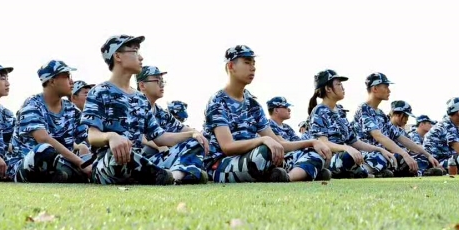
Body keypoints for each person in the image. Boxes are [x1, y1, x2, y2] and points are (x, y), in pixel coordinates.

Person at [83, 34, 208, 185]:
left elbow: (160, 137)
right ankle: (179, 174)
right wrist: (110, 137)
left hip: (140, 160)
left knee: (194, 143)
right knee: (118, 157)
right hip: (111, 162)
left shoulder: (141, 98)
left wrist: (192, 134)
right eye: (135, 51)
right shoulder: (99, 91)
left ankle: (171, 177)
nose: (141, 57)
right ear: (117, 56)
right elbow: (92, 135)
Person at [201, 46, 290, 182]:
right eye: (247, 63)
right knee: (264, 153)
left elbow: (277, 142)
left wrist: (312, 143)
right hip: (221, 164)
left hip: (249, 158)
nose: (253, 68)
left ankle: (282, 174)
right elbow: (227, 147)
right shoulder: (217, 101)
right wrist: (262, 140)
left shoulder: (253, 104)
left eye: (254, 64)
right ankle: (280, 173)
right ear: (231, 66)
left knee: (308, 153)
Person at [14, 60, 92, 183]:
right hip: (29, 165)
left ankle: (73, 174)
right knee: (44, 150)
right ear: (52, 81)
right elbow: (43, 139)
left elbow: (88, 138)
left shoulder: (72, 110)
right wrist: (81, 163)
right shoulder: (32, 105)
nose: (71, 81)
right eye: (66, 77)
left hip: (61, 163)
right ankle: (73, 174)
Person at [308, 70, 392, 178]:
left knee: (381, 155)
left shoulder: (340, 112)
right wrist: (346, 148)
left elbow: (354, 142)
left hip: (345, 154)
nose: (342, 88)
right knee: (348, 157)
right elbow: (323, 142)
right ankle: (364, 172)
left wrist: (380, 149)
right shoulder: (319, 111)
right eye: (338, 84)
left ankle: (361, 172)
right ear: (328, 89)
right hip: (329, 158)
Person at [352, 74, 416, 177]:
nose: (389, 91)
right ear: (375, 88)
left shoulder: (381, 114)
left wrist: (427, 155)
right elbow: (378, 136)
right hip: (368, 154)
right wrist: (404, 154)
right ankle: (363, 171)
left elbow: (400, 137)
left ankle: (380, 173)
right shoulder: (364, 109)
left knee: (405, 159)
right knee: (381, 156)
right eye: (385, 87)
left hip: (383, 154)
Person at [266, 97, 333, 181]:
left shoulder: (287, 128)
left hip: (292, 157)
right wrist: (312, 142)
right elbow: (282, 144)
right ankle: (288, 177)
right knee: (314, 154)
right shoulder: (268, 125)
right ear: (276, 110)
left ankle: (306, 172)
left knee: (316, 151)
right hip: (280, 158)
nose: (289, 109)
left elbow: (299, 143)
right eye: (285, 107)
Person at [137, 66, 194, 157]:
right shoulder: (133, 106)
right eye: (157, 81)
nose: (162, 85)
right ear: (142, 85)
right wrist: (158, 145)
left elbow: (182, 129)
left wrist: (198, 134)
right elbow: (137, 136)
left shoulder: (161, 113)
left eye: (162, 81)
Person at [386, 102, 444, 176]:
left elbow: (412, 145)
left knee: (422, 155)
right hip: (390, 156)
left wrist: (428, 155)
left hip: (401, 157)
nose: (407, 120)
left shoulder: (400, 131)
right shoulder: (385, 125)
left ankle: (423, 171)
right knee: (400, 157)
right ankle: (420, 173)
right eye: (406, 116)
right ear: (399, 115)